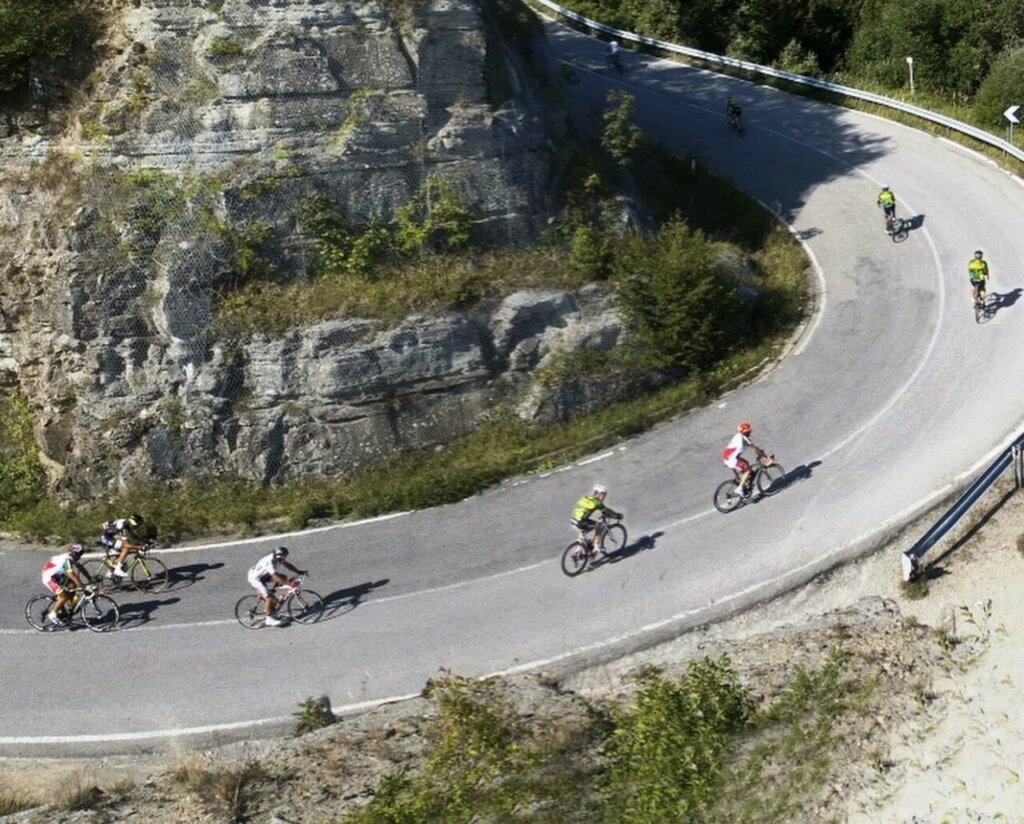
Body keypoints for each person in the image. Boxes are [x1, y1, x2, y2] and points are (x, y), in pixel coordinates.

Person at [246, 546, 306, 626]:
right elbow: (275, 577)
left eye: (285, 557)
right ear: (277, 556)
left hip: (263, 575)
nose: (284, 558)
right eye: (283, 557)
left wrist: (298, 571)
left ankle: (273, 598)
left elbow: (287, 564)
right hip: (255, 579)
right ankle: (269, 619)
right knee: (269, 597)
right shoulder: (269, 562)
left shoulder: (277, 558)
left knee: (283, 577)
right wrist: (289, 584)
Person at [40, 544, 87, 627]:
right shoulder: (67, 560)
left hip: (56, 574)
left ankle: (66, 609)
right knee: (64, 596)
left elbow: (80, 568)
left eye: (81, 554)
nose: (80, 556)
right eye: (79, 554)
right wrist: (84, 588)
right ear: (74, 554)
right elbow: (72, 576)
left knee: (72, 585)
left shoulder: (72, 558)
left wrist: (90, 578)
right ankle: (52, 614)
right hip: (48, 577)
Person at [571, 484, 622, 557]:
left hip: (573, 519)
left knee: (583, 530)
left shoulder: (587, 497)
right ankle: (596, 548)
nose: (604, 496)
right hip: (581, 522)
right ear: (599, 493)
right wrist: (617, 516)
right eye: (603, 494)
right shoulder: (597, 503)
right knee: (600, 525)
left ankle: (577, 549)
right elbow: (608, 511)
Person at [722, 422, 766, 497]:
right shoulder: (744, 439)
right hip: (732, 459)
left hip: (728, 457)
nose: (750, 432)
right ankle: (739, 489)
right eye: (749, 431)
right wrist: (764, 456)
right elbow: (754, 448)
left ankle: (744, 482)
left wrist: (759, 452)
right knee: (748, 470)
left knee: (746, 463)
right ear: (744, 431)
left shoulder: (738, 436)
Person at [99, 513, 144, 579]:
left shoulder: (126, 523)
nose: (135, 527)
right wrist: (140, 547)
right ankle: (117, 570)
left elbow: (134, 536)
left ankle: (110, 572)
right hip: (106, 538)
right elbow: (127, 545)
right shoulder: (123, 527)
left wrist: (144, 542)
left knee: (121, 554)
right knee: (126, 549)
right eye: (135, 526)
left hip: (110, 536)